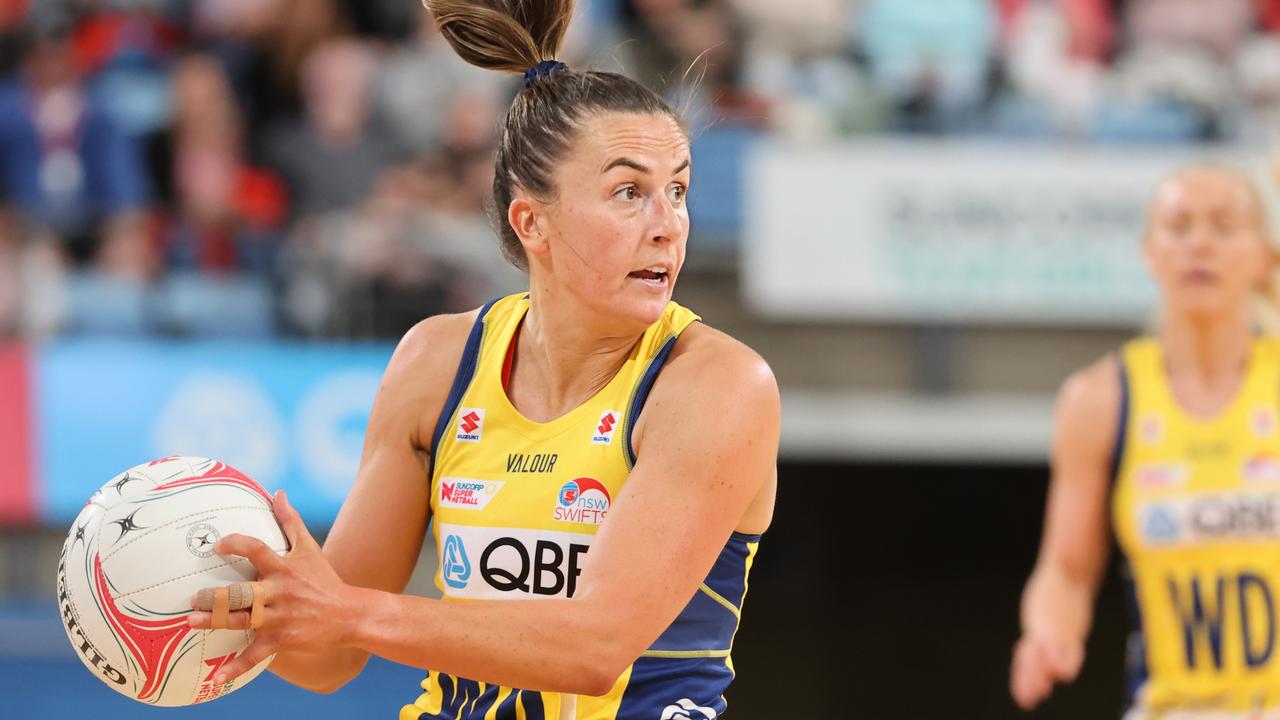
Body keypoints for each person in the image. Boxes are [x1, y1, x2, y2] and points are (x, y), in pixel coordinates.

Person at [187, 0, 779, 718]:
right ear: (531, 221)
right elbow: (328, 656)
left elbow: (595, 648)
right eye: (630, 192)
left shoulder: (716, 384)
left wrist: (345, 612)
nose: (668, 227)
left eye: (677, 191)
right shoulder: (438, 362)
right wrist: (221, 602)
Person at [1010, 165, 1280, 717]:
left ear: (1263, 257)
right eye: (1179, 226)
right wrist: (1047, 632)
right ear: (1150, 252)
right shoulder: (1100, 400)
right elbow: (1065, 570)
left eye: (1224, 226)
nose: (1199, 243)